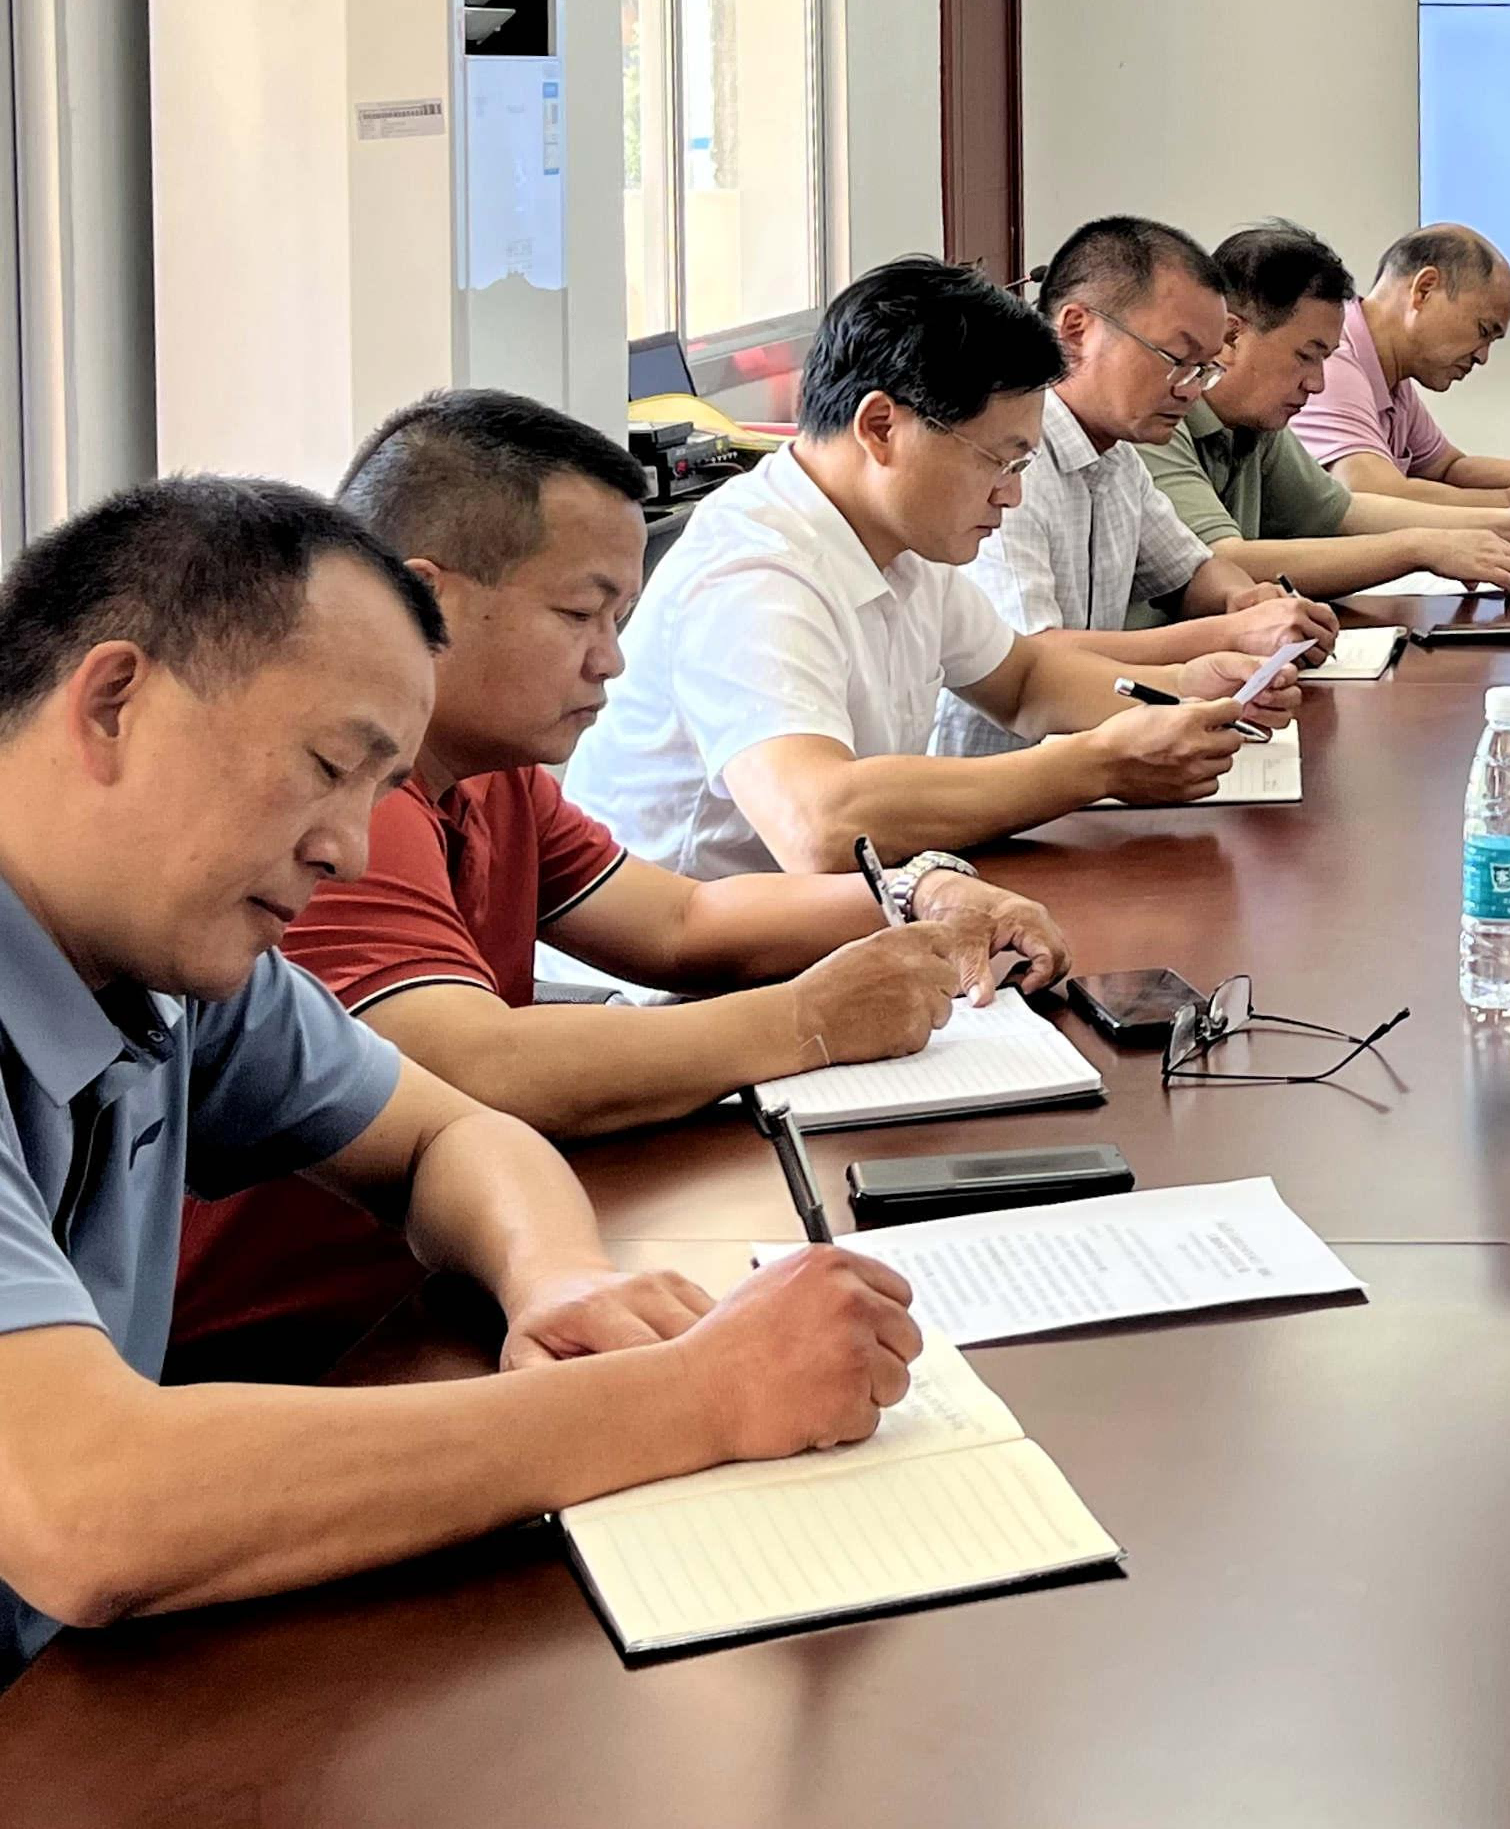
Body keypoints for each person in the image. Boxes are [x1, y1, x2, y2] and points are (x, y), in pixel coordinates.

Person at [0, 477, 924, 1684]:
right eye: (327, 766)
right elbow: (87, 1510)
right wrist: (697, 1394)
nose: (345, 849)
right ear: (113, 704)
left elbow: (452, 1135)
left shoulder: (173, 965)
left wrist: (558, 1280)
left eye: (375, 792)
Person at [169, 393, 1077, 1384]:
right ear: (428, 603)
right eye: (578, 614)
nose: (610, 660)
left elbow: (682, 920)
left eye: (619, 619)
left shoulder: (494, 775)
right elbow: (472, 1067)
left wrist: (919, 891)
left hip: (444, 1292)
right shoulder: (348, 812)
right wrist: (808, 1021)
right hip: (302, 1353)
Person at [565, 258, 1296, 878]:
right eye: (999, 461)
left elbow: (1023, 682)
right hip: (683, 978)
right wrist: (1095, 766)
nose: (1011, 494)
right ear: (882, 427)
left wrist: (1184, 691)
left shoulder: (901, 539)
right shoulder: (753, 573)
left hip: (828, 932)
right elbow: (819, 825)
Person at [934, 217, 1333, 756]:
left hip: (1091, 764)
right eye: (1176, 360)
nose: (1191, 390)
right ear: (1076, 330)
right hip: (999, 775)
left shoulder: (1119, 455)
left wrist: (1244, 600)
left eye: (1204, 369)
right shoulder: (1009, 461)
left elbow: (1191, 571)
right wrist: (1231, 633)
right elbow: (1033, 655)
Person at [1140, 221, 1510, 604]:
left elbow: (1343, 512)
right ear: (1231, 338)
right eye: (1306, 356)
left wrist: (1507, 524)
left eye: (1324, 358)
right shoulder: (1159, 420)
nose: (1317, 383)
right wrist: (1420, 547)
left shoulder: (1256, 424)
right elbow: (1219, 561)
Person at [1288, 222, 1510, 506]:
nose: (1482, 357)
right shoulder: (1333, 359)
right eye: (1483, 331)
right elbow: (1369, 492)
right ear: (1424, 290)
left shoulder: (1392, 375)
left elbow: (1447, 468)